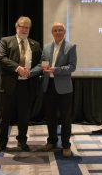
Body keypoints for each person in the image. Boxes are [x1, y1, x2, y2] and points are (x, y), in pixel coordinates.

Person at [0, 16, 42, 155]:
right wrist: (18, 68)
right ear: (16, 27)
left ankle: (22, 141)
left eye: (27, 27)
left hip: (27, 86)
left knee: (24, 116)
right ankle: (1, 143)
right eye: (22, 26)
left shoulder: (35, 44)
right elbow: (0, 58)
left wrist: (31, 73)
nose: (24, 29)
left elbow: (40, 63)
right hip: (8, 86)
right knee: (4, 116)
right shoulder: (6, 41)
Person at [39, 22, 77, 157]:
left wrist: (57, 70)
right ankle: (52, 141)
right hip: (48, 86)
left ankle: (66, 145)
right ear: (52, 32)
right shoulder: (46, 47)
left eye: (60, 30)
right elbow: (43, 64)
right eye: (55, 30)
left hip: (64, 89)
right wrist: (42, 68)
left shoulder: (71, 47)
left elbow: (72, 67)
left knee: (65, 118)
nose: (58, 32)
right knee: (50, 116)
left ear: (64, 32)